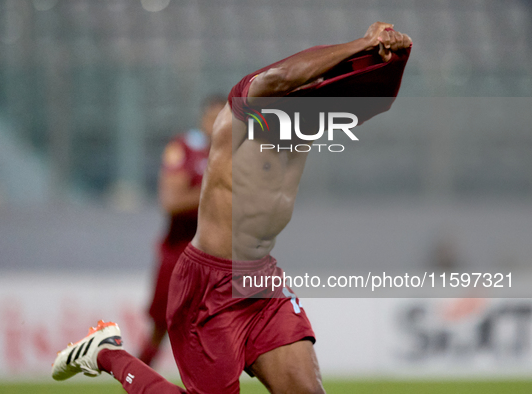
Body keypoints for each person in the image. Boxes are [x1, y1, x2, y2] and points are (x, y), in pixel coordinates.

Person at [52, 22, 412, 394]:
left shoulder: (307, 122)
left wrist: (395, 57)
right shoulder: (240, 115)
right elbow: (284, 74)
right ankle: (105, 354)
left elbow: (375, 100)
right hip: (208, 285)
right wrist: (362, 43)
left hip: (261, 278)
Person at [139, 96, 225, 366]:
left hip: (220, 256)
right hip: (180, 255)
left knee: (221, 332)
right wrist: (217, 191)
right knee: (160, 329)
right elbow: (171, 201)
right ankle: (134, 381)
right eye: (212, 118)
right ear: (203, 120)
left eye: (222, 119)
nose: (217, 125)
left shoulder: (239, 153)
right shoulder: (184, 148)